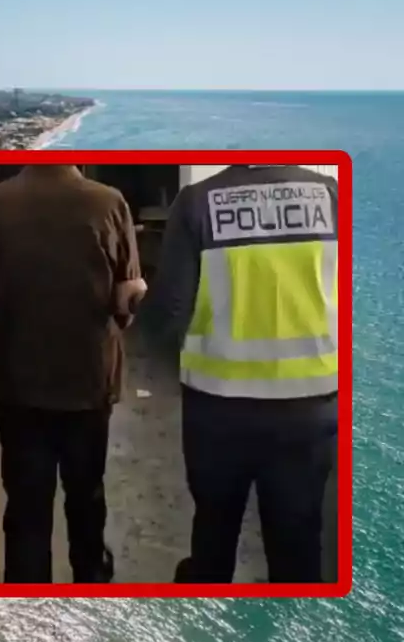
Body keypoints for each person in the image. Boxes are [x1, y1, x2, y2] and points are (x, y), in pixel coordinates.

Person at [138, 164, 339, 583]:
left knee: (214, 527)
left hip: (218, 406)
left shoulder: (197, 202)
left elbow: (170, 313)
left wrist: (143, 312)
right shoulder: (332, 195)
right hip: (311, 405)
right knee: (298, 538)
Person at [0, 164, 145, 583]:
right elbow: (127, 294)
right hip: (87, 374)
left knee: (26, 501)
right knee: (86, 494)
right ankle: (89, 580)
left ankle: (25, 590)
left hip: (16, 374)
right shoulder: (108, 201)